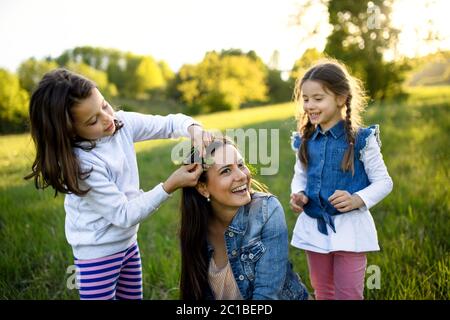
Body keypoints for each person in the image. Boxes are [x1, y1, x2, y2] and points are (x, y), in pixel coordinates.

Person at [25, 68, 211, 300]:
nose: (107, 119)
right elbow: (123, 213)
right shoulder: (82, 164)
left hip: (127, 244)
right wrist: (169, 186)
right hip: (96, 255)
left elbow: (168, 124)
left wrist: (193, 129)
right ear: (69, 132)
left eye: (104, 105)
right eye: (92, 120)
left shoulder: (121, 123)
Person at [289, 60, 393, 300]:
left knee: (348, 294)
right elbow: (300, 175)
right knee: (323, 292)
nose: (309, 105)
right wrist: (299, 194)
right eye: (305, 99)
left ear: (340, 97)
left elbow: (384, 182)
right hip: (315, 228)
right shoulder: (305, 139)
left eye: (317, 98)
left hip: (350, 230)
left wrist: (358, 199)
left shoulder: (361, 139)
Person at [179, 137, 309, 300]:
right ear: (203, 188)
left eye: (240, 165)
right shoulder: (196, 228)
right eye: (226, 170)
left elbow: (266, 297)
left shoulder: (267, 211)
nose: (241, 176)